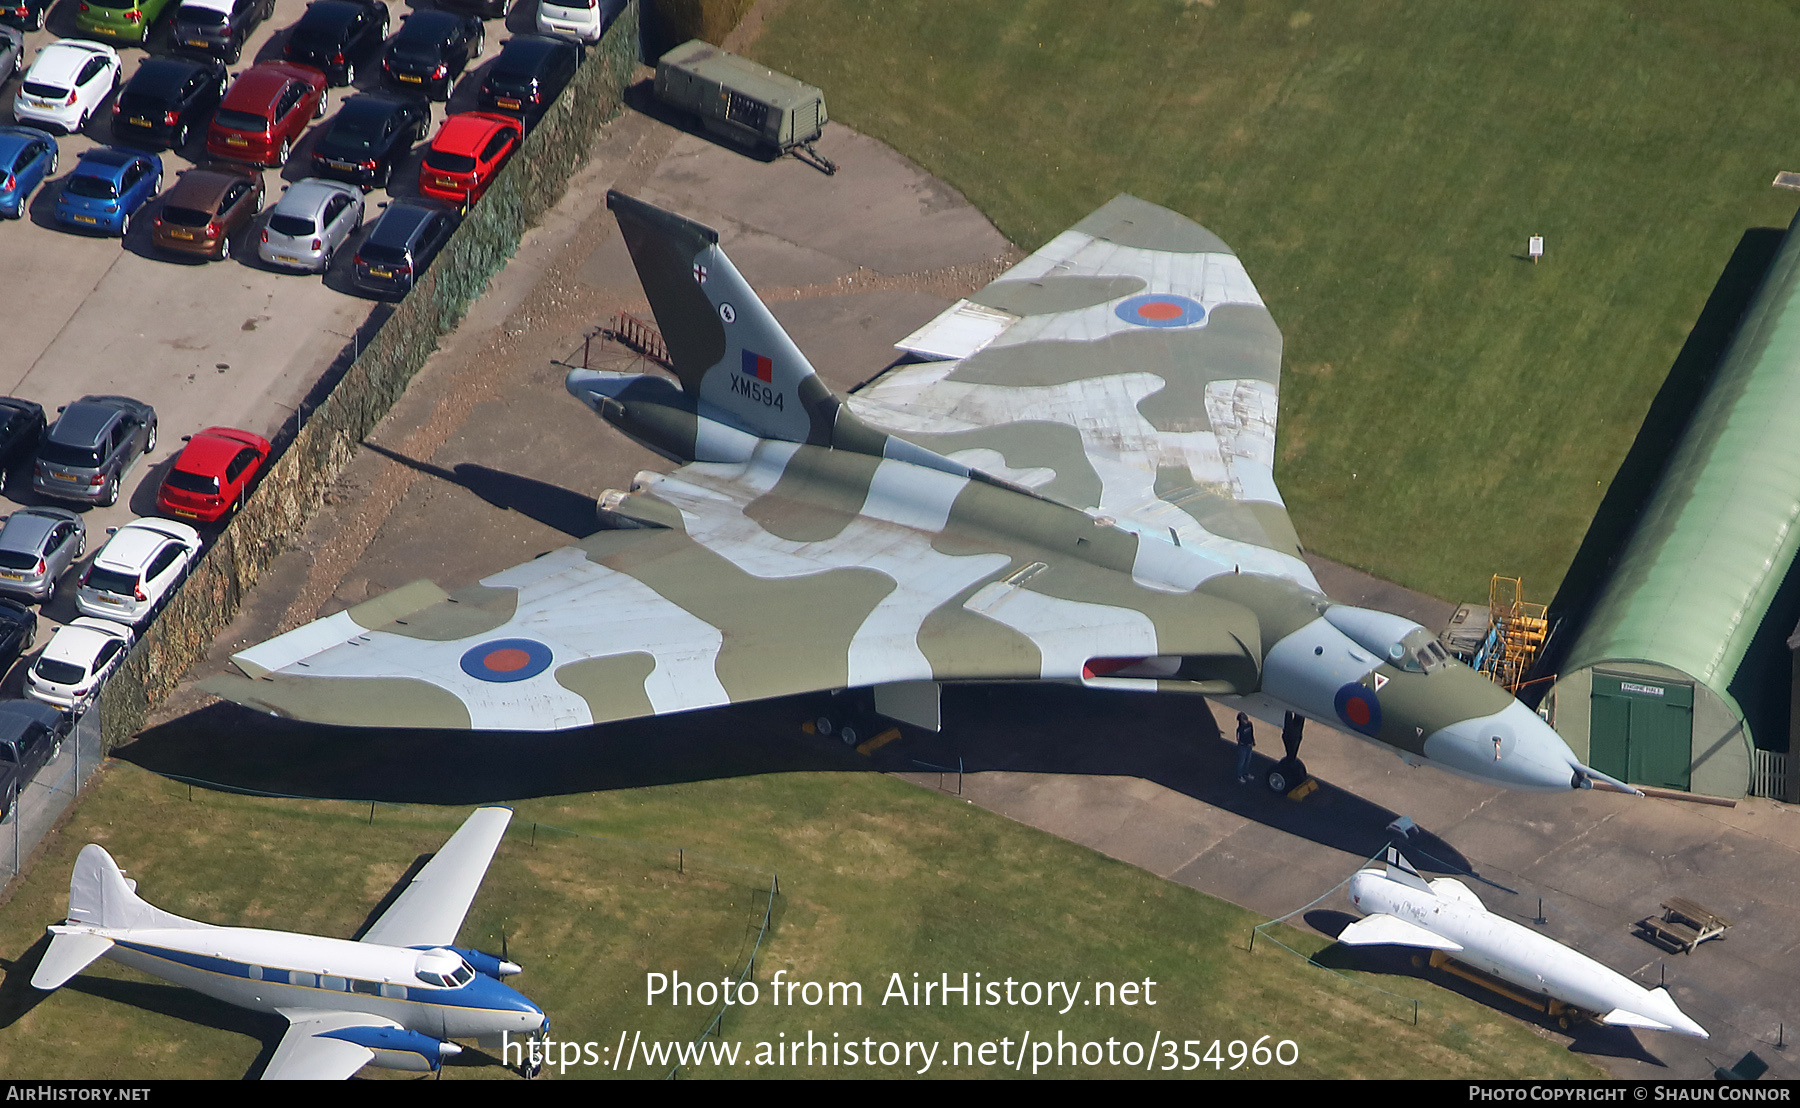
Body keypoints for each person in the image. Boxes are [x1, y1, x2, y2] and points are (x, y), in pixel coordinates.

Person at [1235, 712, 1255, 783]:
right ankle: (1239, 775)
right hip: (1243, 746)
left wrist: (1253, 741)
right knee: (1242, 761)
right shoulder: (1240, 728)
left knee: (1247, 760)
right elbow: (1239, 738)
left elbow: (1251, 733)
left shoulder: (1250, 724)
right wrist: (1242, 743)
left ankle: (1245, 773)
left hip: (1249, 745)